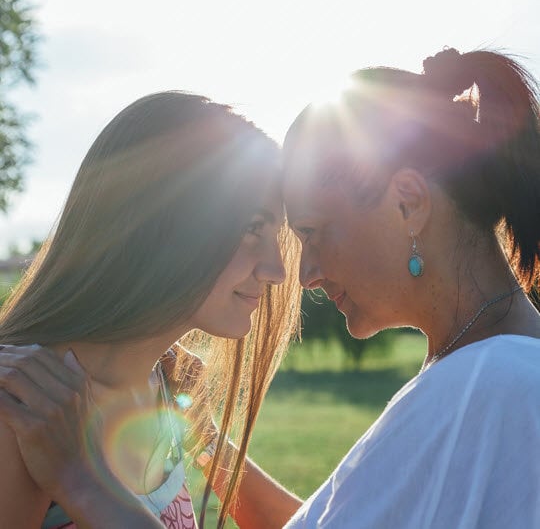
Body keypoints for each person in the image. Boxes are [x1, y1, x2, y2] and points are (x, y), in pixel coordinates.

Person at [1, 47, 540, 528]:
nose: (291, 273)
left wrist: (80, 481)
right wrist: (202, 436)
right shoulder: (34, 411)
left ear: (409, 203)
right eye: (257, 229)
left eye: (308, 232)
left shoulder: (493, 385)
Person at [0, 91, 303, 528]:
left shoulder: (163, 389)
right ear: (162, 228)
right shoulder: (26, 412)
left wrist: (207, 438)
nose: (276, 270)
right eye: (252, 228)